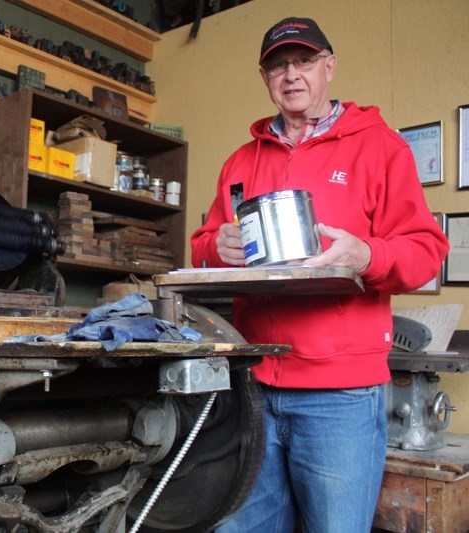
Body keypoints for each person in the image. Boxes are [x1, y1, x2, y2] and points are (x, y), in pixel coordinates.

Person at [190, 16, 450, 532]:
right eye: (278, 65)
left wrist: (366, 255)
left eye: (304, 61)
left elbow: (426, 252)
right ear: (265, 77)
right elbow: (202, 245)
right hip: (253, 386)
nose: (291, 75)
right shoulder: (241, 160)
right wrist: (213, 247)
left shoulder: (380, 148)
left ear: (328, 67)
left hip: (341, 398)